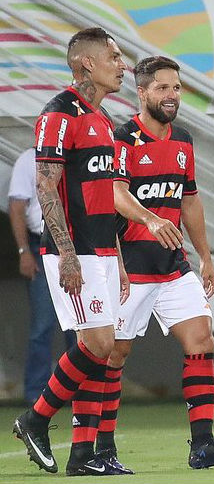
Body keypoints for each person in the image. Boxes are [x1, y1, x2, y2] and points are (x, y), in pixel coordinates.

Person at [94, 55, 214, 471]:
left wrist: (206, 256)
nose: (171, 95)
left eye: (176, 88)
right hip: (130, 267)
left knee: (202, 340)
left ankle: (204, 445)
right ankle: (101, 448)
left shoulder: (183, 140)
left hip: (172, 265)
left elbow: (190, 200)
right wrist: (150, 219)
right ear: (142, 92)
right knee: (114, 354)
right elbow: (116, 194)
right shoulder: (123, 139)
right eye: (162, 87)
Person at [12, 27, 131, 476]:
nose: (122, 65)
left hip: (102, 249)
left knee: (97, 348)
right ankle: (35, 419)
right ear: (87, 63)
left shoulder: (102, 119)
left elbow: (104, 196)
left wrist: (117, 260)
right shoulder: (58, 113)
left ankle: (83, 456)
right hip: (74, 249)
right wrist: (66, 254)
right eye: (114, 57)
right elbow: (45, 186)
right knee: (99, 344)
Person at [8, 147, 77, 403]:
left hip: (76, 245)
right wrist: (24, 251)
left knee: (79, 326)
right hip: (41, 246)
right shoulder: (28, 159)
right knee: (42, 326)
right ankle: (36, 395)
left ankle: (79, 392)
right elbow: (17, 207)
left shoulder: (75, 157)